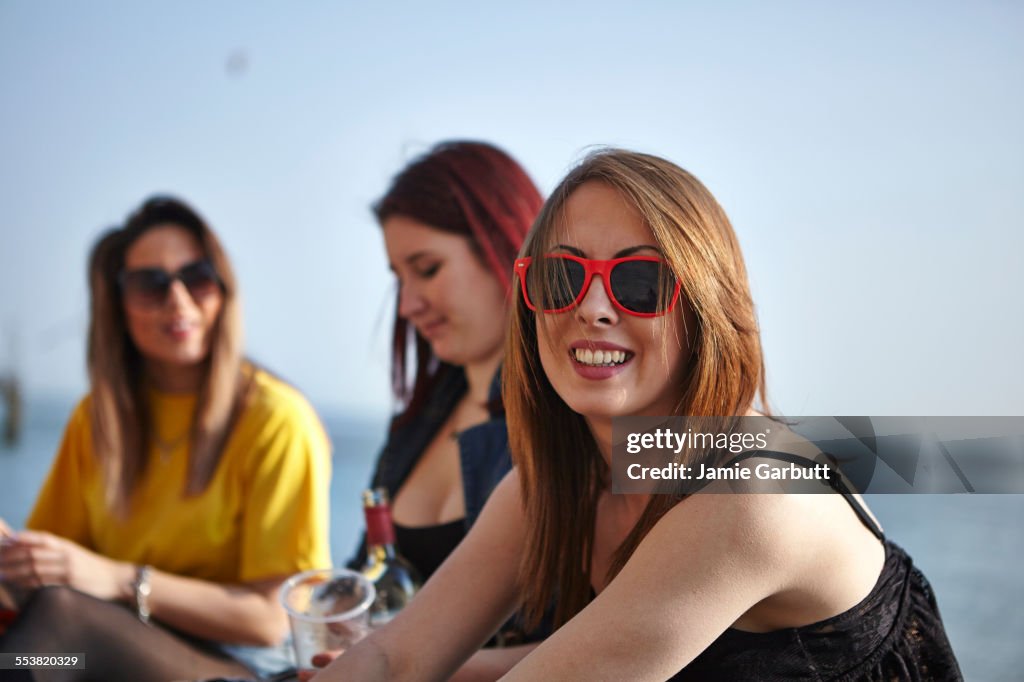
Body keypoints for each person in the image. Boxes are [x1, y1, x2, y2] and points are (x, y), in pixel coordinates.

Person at [315, 149, 963, 680]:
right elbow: (395, 658)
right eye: (562, 276)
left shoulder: (756, 498)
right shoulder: (563, 479)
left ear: (706, 310)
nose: (593, 307)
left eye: (640, 281)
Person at [0, 197, 332, 681]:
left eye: (196, 277)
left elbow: (270, 619)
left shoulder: (277, 419)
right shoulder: (96, 419)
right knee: (24, 656)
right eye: (150, 284)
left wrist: (119, 579)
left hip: (242, 667)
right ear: (117, 302)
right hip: (105, 647)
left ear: (223, 289)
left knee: (58, 624)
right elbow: (52, 574)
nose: (178, 299)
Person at [328, 141, 544, 680]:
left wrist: (397, 663)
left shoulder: (575, 428)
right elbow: (361, 586)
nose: (407, 304)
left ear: (506, 249)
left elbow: (611, 637)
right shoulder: (415, 424)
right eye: (399, 277)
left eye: (426, 269)